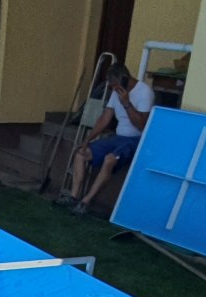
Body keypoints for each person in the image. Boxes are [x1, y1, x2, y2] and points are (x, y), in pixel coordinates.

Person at [53, 61, 153, 216]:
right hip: (117, 137)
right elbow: (105, 118)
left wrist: (127, 104)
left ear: (124, 79)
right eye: (111, 86)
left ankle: (85, 202)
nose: (113, 89)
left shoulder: (145, 92)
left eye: (115, 86)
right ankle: (73, 197)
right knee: (81, 153)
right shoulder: (116, 92)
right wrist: (87, 139)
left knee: (109, 159)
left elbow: (141, 125)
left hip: (135, 140)